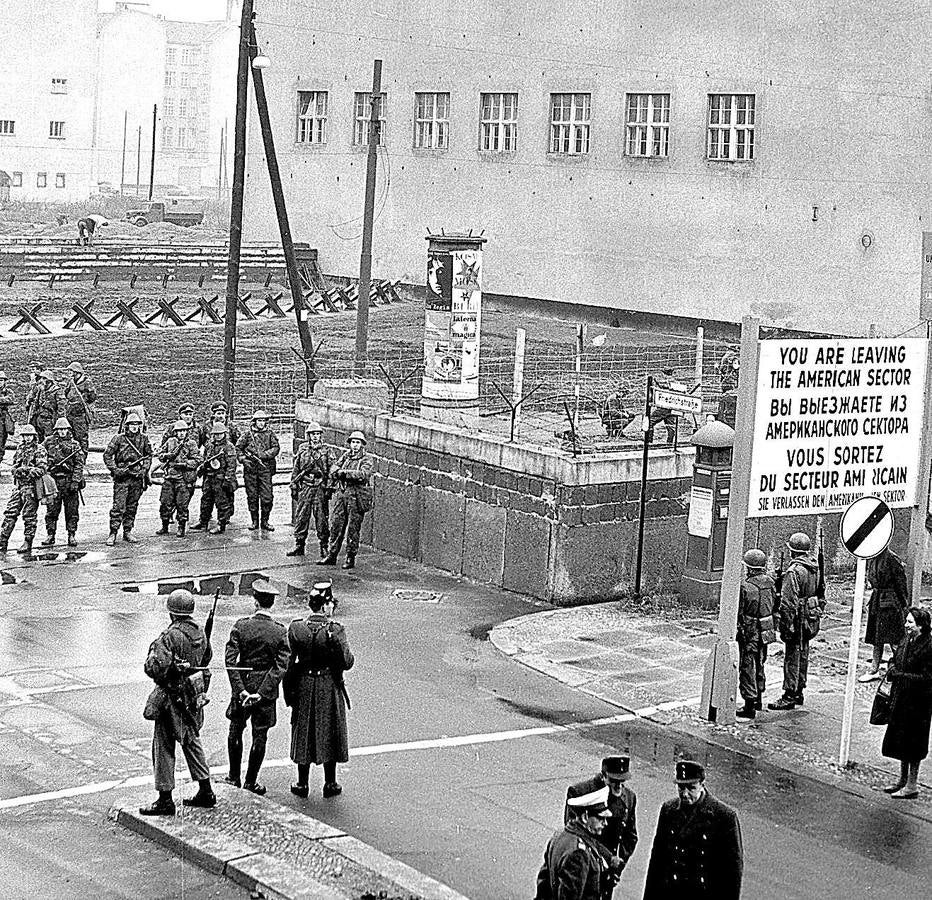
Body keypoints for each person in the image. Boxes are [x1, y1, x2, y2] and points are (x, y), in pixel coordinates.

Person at [139, 588, 216, 816]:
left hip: (171, 698)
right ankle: (206, 789)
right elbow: (207, 657)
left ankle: (164, 798)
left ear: (172, 612)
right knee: (191, 741)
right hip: (192, 696)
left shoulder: (169, 636)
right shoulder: (200, 632)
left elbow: (155, 667)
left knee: (162, 745)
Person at [283, 581, 354, 799]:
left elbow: (288, 661)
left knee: (303, 729)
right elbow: (347, 661)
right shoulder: (336, 629)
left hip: (304, 683)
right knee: (330, 729)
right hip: (327, 684)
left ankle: (302, 783)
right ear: (326, 605)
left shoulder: (296, 628)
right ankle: (330, 782)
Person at [224, 580, 290, 795]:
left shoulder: (241, 626)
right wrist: (262, 693)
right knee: (259, 736)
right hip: (265, 690)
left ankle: (234, 777)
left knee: (235, 729)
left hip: (243, 683)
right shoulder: (280, 632)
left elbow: (230, 661)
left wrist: (240, 689)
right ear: (272, 604)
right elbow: (281, 667)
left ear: (254, 601)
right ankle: (251, 781)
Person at [643, 760, 743, 899]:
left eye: (691, 788)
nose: (684, 793)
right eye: (681, 788)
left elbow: (732, 873)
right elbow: (657, 861)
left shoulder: (724, 817)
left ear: (702, 784)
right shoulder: (668, 810)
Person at [565, 756, 638, 898]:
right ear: (603, 776)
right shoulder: (581, 793)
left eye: (622, 782)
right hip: (584, 866)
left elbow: (630, 837)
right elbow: (575, 833)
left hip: (608, 872)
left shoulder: (629, 798)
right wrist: (608, 859)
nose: (619, 787)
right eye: (614, 781)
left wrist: (617, 868)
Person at [881, 606, 932, 799]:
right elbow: (894, 658)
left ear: (921, 625)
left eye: (910, 622)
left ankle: (912, 785)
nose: (906, 625)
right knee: (902, 740)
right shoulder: (907, 639)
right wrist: (892, 667)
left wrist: (901, 675)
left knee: (914, 744)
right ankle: (902, 780)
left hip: (919, 703)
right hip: (902, 698)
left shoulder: (929, 646)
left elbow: (928, 677)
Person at [768, 532, 823, 711]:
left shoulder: (794, 571)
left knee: (792, 656)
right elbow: (821, 592)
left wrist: (786, 624)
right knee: (803, 653)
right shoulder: (815, 567)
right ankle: (799, 690)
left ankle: (789, 694)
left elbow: (788, 602)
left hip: (798, 618)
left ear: (792, 551)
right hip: (810, 616)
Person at [535, 785, 613, 900]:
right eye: (601, 818)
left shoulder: (560, 834)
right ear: (585, 817)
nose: (605, 823)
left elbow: (544, 881)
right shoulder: (578, 853)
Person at [317, 430, 373, 570]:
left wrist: (343, 473)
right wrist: (338, 472)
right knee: (336, 525)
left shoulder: (366, 459)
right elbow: (334, 468)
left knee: (353, 529)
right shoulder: (346, 456)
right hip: (342, 495)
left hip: (356, 496)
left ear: (362, 445)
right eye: (353, 442)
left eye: (358, 443)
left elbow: (363, 475)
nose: (355, 445)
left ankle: (350, 556)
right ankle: (332, 554)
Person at [736, 549, 776, 720]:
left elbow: (739, 612)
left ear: (750, 568)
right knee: (760, 661)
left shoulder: (745, 587)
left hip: (750, 629)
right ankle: (758, 696)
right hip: (766, 628)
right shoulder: (771, 583)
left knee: (748, 666)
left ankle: (749, 704)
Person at [859, 548, 909, 682]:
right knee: (877, 638)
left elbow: (901, 584)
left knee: (894, 639)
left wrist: (904, 605)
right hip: (877, 601)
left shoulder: (892, 559)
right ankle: (874, 669)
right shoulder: (873, 556)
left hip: (890, 603)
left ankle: (902, 669)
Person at [103, 410, 153, 545]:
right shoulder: (118, 439)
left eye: (137, 424)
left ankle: (127, 531)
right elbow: (107, 455)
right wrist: (115, 470)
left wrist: (144, 470)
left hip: (136, 477)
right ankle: (113, 532)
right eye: (132, 424)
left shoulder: (144, 439)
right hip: (122, 477)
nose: (135, 427)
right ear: (127, 425)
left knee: (132, 506)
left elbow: (148, 456)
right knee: (118, 507)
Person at [287, 421, 334, 558]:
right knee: (302, 516)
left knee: (321, 518)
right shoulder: (303, 449)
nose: (315, 436)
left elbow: (331, 470)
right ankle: (299, 545)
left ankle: (324, 546)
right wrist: (294, 484)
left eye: (318, 434)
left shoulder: (326, 450)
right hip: (306, 485)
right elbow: (296, 468)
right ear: (309, 435)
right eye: (313, 434)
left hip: (319, 486)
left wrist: (329, 487)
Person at [0, 424, 48, 554]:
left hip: (31, 487)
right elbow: (14, 466)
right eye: (25, 435)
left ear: (34, 436)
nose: (27, 438)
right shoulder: (20, 448)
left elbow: (42, 469)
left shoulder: (39, 450)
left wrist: (27, 470)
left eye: (30, 435)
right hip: (19, 487)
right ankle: (3, 540)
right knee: (10, 513)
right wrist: (17, 470)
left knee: (29, 516)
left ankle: (28, 541)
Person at [40, 417, 85, 548]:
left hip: (69, 481)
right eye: (60, 429)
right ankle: (50, 534)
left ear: (68, 430)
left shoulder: (74, 445)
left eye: (64, 429)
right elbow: (40, 454)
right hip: (54, 482)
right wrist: (47, 467)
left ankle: (71, 534)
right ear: (56, 430)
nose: (62, 432)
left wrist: (75, 481)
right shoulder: (48, 442)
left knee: (71, 511)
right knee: (52, 510)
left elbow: (79, 464)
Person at [236, 409, 280, 532]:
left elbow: (276, 448)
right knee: (252, 496)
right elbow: (238, 448)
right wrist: (244, 460)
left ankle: (265, 521)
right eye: (259, 421)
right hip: (251, 470)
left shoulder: (270, 434)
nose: (261, 423)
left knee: (267, 497)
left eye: (263, 421)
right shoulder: (247, 435)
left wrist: (264, 455)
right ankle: (254, 521)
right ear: (254, 422)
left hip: (265, 469)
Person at [191, 422, 238, 534]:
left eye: (220, 434)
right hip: (209, 477)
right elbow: (204, 459)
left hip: (220, 478)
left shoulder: (228, 446)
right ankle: (203, 522)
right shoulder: (209, 445)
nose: (217, 436)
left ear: (224, 434)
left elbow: (232, 465)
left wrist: (227, 479)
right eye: (215, 434)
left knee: (222, 502)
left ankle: (221, 524)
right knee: (206, 500)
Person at [156, 419, 200, 538]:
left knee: (182, 504)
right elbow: (159, 454)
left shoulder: (191, 444)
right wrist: (166, 456)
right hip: (169, 477)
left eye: (184, 431)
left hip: (183, 479)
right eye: (179, 431)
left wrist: (184, 464)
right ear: (175, 432)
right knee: (165, 502)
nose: (181, 433)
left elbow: (197, 460)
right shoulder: (170, 441)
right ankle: (164, 526)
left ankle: (181, 527)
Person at [63, 361, 97, 455]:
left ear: (76, 371)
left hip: (80, 416)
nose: (69, 373)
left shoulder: (87, 383)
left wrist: (82, 399)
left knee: (81, 438)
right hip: (71, 413)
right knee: (70, 437)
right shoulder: (71, 382)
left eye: (71, 371)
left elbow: (92, 397)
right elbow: (65, 393)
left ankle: (82, 457)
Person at [26, 370, 63, 441]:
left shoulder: (57, 391)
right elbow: (36, 403)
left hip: (49, 420)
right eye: (42, 378)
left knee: (49, 440)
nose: (41, 380)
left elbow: (61, 408)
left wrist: (59, 422)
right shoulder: (41, 390)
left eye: (44, 378)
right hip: (39, 419)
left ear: (49, 380)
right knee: (38, 439)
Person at [0, 370, 15, 461]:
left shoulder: (8, 391)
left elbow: (10, 399)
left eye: (1, 380)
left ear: (5, 381)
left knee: (1, 443)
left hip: (2, 421)